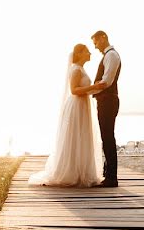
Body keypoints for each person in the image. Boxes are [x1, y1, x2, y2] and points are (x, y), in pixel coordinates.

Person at [28, 44, 105, 187]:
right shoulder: (75, 69)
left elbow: (82, 89)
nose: (90, 54)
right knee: (75, 136)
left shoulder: (81, 69)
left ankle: (82, 171)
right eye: (87, 51)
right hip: (76, 106)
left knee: (83, 136)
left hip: (83, 105)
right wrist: (94, 87)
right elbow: (74, 90)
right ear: (80, 53)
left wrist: (96, 89)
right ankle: (71, 172)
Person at [91, 30, 121, 187]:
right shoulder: (108, 56)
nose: (95, 47)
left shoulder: (111, 56)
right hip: (105, 100)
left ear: (103, 38)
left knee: (108, 138)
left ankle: (111, 178)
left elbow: (106, 82)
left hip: (108, 100)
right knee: (106, 137)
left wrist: (88, 90)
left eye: (95, 42)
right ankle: (108, 172)